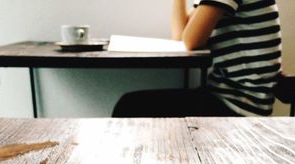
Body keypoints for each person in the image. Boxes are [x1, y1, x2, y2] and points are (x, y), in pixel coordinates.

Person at [112, 0, 282, 117]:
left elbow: (190, 41)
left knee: (129, 106)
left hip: (238, 107)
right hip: (230, 98)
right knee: (131, 104)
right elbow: (180, 35)